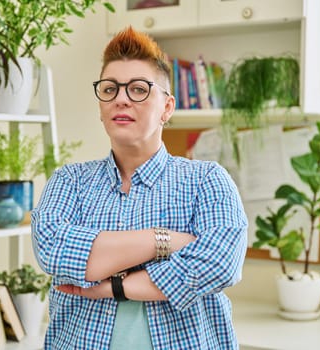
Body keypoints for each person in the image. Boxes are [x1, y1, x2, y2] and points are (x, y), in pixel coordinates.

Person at [31, 26, 248, 350]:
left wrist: (113, 287)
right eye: (110, 89)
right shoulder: (69, 181)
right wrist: (162, 241)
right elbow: (55, 252)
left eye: (138, 89)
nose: (121, 99)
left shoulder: (207, 180)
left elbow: (219, 263)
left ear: (167, 107)